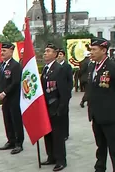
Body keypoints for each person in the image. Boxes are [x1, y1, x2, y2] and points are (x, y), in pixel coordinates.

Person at [87, 37, 115, 172]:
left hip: (110, 116)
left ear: (104, 50)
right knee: (100, 146)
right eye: (90, 49)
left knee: (114, 147)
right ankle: (100, 168)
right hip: (96, 115)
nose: (91, 52)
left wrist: (114, 109)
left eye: (94, 49)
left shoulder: (113, 67)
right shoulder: (92, 66)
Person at [40, 43, 69, 171]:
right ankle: (51, 156)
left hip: (56, 107)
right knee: (48, 134)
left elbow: (64, 92)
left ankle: (61, 160)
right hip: (46, 108)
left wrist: (61, 108)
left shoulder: (59, 69)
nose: (45, 53)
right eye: (45, 51)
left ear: (55, 54)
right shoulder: (45, 69)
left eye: (48, 51)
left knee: (58, 136)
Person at [0, 42, 24, 155]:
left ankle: (19, 143)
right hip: (4, 99)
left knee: (16, 120)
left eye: (4, 51)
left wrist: (4, 93)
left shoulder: (15, 66)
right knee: (7, 120)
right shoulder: (1, 65)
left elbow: (15, 82)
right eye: (1, 51)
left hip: (13, 98)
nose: (2, 53)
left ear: (11, 52)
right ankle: (10, 140)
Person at [56, 48, 73, 141]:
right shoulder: (55, 66)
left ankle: (65, 133)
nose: (59, 56)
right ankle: (59, 132)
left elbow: (70, 81)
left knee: (64, 114)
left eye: (61, 54)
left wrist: (67, 92)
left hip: (65, 94)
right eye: (58, 54)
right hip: (57, 94)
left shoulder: (67, 67)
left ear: (64, 56)